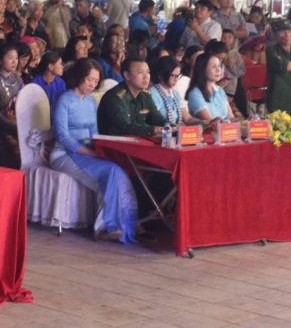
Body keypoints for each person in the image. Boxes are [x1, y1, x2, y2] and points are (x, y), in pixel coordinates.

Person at [50, 58, 138, 243]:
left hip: (87, 152)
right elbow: (62, 136)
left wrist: (101, 149)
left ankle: (114, 225)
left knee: (117, 170)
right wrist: (88, 152)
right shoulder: (64, 100)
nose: (92, 84)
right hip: (64, 154)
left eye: (96, 81)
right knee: (110, 172)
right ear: (79, 77)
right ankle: (106, 226)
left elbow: (94, 133)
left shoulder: (90, 102)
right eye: (89, 79)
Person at [97, 58, 166, 137]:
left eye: (148, 72)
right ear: (127, 75)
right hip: (114, 142)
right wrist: (153, 130)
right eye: (140, 72)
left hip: (136, 141)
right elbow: (122, 127)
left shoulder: (145, 95)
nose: (146, 76)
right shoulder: (114, 98)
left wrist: (171, 126)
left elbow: (157, 119)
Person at [148, 56, 201, 125]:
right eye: (172, 76)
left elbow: (187, 118)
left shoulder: (175, 93)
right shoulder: (153, 93)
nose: (176, 80)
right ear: (160, 75)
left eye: (177, 76)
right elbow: (155, 120)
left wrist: (205, 122)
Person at [186, 53, 232, 123]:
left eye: (219, 66)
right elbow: (212, 122)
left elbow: (231, 118)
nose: (218, 70)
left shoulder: (220, 90)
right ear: (202, 69)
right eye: (214, 67)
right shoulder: (195, 93)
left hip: (225, 129)